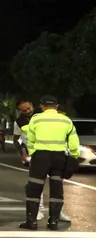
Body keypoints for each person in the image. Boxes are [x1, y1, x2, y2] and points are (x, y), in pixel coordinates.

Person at [19, 95, 79, 230]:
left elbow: (30, 139)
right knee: (56, 188)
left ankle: (31, 222)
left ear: (42, 106)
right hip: (59, 157)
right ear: (56, 106)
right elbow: (74, 142)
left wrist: (33, 152)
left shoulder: (36, 119)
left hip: (41, 157)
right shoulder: (66, 121)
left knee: (34, 188)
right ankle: (53, 222)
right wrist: (74, 156)